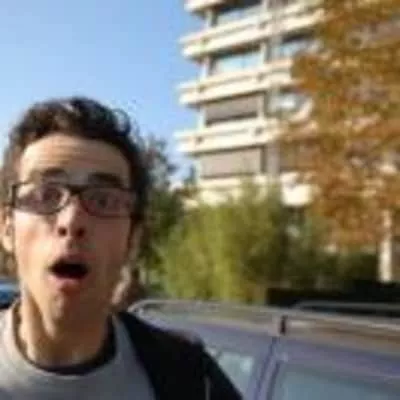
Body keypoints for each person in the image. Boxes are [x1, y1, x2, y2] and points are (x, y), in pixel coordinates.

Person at [0, 96, 241, 399]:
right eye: (46, 195)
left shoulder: (192, 380)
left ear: (133, 239)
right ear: (7, 227)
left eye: (103, 200)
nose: (72, 220)